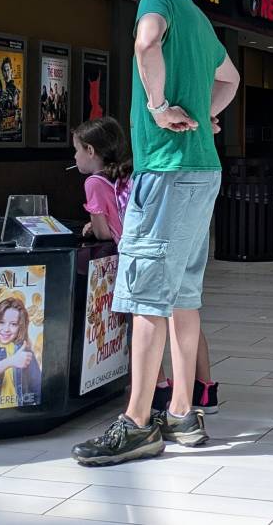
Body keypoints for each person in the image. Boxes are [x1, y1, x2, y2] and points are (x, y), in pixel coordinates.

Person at [72, 0, 241, 467]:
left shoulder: (158, 0)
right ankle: (184, 414)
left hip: (165, 170)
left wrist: (158, 104)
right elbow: (230, 78)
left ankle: (138, 422)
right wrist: (207, 114)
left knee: (147, 296)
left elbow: (146, 44)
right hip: (202, 171)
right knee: (184, 296)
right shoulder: (198, 15)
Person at [73, 116, 219, 413]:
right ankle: (203, 390)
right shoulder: (129, 171)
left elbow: (103, 232)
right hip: (177, 221)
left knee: (144, 317)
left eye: (76, 150)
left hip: (139, 250)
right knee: (183, 309)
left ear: (90, 150)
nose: (74, 157)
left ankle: (157, 391)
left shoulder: (95, 182)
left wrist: (91, 226)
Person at [0, 298, 42, 409]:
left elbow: (38, 387)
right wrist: (12, 361)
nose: (6, 329)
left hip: (23, 413)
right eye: (1, 322)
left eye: (13, 324)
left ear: (20, 327)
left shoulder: (26, 353)